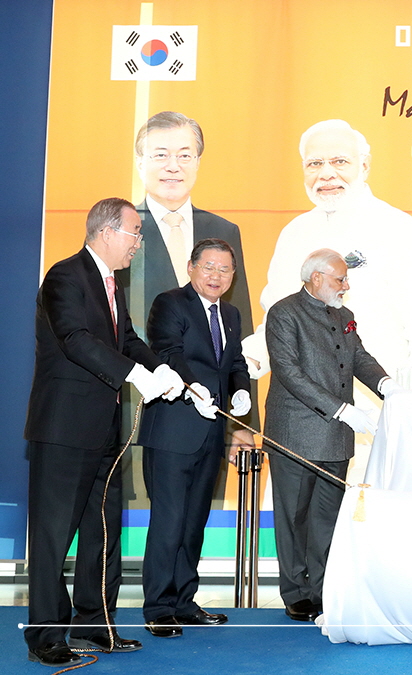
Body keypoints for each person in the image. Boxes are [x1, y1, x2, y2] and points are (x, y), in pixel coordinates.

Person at [23, 198, 185, 666]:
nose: (139, 242)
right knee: (54, 536)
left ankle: (97, 625)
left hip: (105, 432)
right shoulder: (65, 275)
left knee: (104, 531)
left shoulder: (112, 282)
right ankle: (47, 638)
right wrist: (134, 376)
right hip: (63, 429)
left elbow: (128, 340)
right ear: (106, 232)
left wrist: (170, 373)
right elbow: (75, 339)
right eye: (135, 232)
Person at [246, 119, 412, 377]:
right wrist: (242, 368)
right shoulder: (293, 233)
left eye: (339, 161)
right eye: (315, 163)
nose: (326, 174)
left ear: (364, 165)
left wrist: (409, 401)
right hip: (304, 403)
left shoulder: (403, 232)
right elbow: (277, 321)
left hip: (379, 398)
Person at [264, 248, 400, 622]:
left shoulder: (344, 316)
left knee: (326, 517)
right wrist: (343, 410)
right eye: (340, 278)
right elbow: (290, 374)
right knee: (294, 517)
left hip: (335, 436)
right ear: (316, 277)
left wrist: (387, 384)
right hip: (295, 432)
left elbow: (359, 358)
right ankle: (295, 592)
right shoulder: (284, 312)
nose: (346, 284)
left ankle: (321, 588)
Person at [136, 239, 255, 638]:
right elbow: (168, 353)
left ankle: (185, 602)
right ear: (191, 268)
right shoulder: (170, 303)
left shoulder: (232, 314)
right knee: (169, 522)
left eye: (225, 270)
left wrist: (241, 390)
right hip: (172, 429)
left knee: (194, 524)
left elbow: (235, 362)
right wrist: (194, 387)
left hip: (210, 434)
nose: (216, 276)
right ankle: (158, 607)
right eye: (209, 267)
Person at [121, 111, 253, 342]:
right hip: (143, 371)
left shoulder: (224, 231)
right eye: (161, 155)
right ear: (140, 162)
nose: (173, 167)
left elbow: (239, 323)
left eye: (184, 156)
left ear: (198, 162)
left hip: (211, 374)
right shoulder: (118, 231)